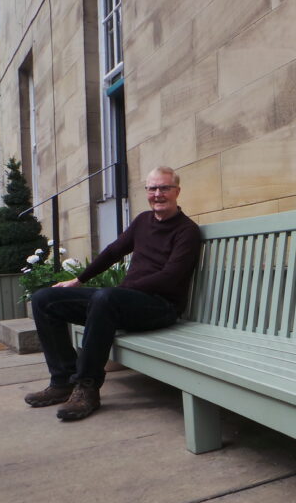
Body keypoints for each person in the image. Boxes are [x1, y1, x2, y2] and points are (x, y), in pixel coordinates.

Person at [24, 166, 201, 421]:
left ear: (177, 192)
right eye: (152, 188)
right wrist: (78, 279)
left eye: (164, 188)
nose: (158, 194)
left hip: (161, 307)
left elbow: (170, 278)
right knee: (44, 299)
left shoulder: (187, 231)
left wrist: (119, 291)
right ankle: (62, 381)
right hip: (123, 302)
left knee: (106, 298)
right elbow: (112, 251)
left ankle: (87, 387)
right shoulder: (142, 221)